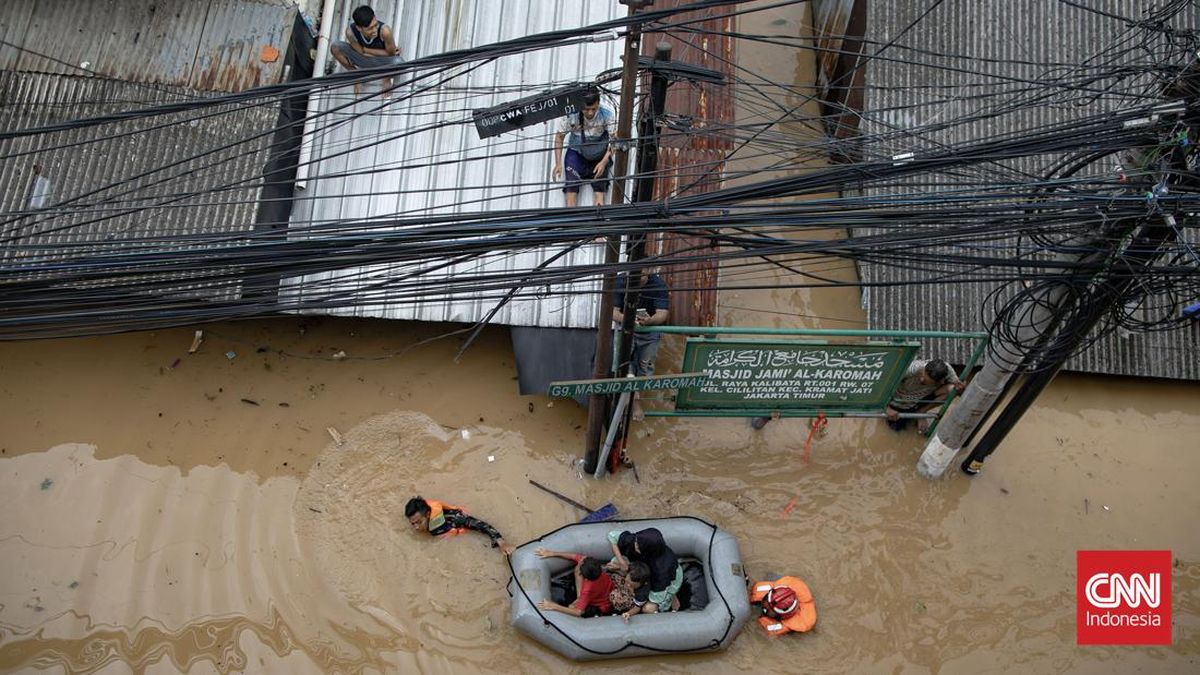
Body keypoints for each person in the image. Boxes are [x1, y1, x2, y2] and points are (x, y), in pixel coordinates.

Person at [612, 272, 670, 420]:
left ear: (649, 272)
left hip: (649, 329)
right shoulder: (620, 281)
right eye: (634, 276)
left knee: (646, 368)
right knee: (625, 365)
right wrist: (629, 319)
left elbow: (662, 314)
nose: (637, 280)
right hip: (627, 328)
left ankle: (634, 401)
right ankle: (632, 402)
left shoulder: (657, 284)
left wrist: (650, 321)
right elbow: (613, 312)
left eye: (641, 277)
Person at [551, 89, 615, 207]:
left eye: (593, 109)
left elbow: (614, 141)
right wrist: (558, 163)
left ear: (598, 104)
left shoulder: (607, 113)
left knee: (599, 192)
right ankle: (571, 223)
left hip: (599, 154)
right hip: (577, 152)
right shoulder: (571, 114)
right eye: (586, 109)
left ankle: (598, 223)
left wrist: (604, 162)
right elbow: (559, 137)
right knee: (571, 190)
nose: (590, 113)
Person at [607, 528, 683, 616]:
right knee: (614, 562)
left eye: (638, 546)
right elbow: (612, 535)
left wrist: (633, 593)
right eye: (636, 542)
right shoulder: (638, 540)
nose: (635, 545)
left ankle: (671, 598)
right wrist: (622, 564)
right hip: (641, 568)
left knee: (648, 608)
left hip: (667, 583)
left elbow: (656, 596)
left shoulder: (661, 572)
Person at [330, 5, 403, 96]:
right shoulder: (350, 32)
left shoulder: (385, 31)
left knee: (399, 62)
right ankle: (356, 75)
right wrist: (369, 52)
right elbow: (360, 52)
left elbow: (391, 54)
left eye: (375, 25)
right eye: (370, 28)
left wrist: (365, 50)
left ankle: (386, 78)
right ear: (359, 28)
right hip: (363, 59)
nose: (375, 30)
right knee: (335, 46)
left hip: (382, 62)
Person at [404, 496, 513, 555]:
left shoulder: (455, 519)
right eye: (412, 523)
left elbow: (482, 525)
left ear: (428, 515)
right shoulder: (425, 510)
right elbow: (438, 504)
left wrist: (501, 542)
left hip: (456, 523)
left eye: (419, 522)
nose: (416, 527)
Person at [885, 358, 965, 433]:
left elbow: (960, 387)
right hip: (898, 403)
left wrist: (961, 387)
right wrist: (886, 408)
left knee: (952, 389)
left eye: (926, 382)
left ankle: (921, 412)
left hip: (919, 401)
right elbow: (881, 385)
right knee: (895, 431)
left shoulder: (947, 370)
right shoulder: (910, 369)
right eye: (922, 376)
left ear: (941, 381)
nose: (921, 379)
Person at [534, 548, 615, 617]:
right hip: (606, 589)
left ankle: (581, 601)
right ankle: (579, 597)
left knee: (571, 607)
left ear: (586, 577)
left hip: (601, 605)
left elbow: (578, 612)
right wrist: (552, 553)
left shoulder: (587, 590)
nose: (581, 560)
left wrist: (554, 606)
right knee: (577, 569)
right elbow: (574, 556)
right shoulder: (592, 565)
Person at [749, 576, 817, 636]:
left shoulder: (801, 622)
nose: (765, 609)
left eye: (772, 613)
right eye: (765, 601)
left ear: (784, 616)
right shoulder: (776, 588)